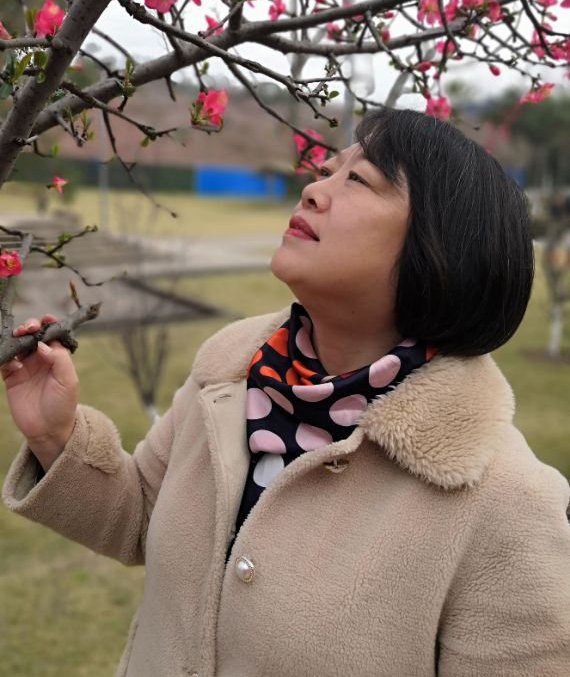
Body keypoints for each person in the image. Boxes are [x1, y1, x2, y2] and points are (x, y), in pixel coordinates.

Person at [2, 107, 570, 677]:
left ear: (441, 246)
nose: (314, 190)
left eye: (358, 179)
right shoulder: (229, 368)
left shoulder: (506, 504)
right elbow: (143, 518)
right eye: (327, 170)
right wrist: (56, 435)